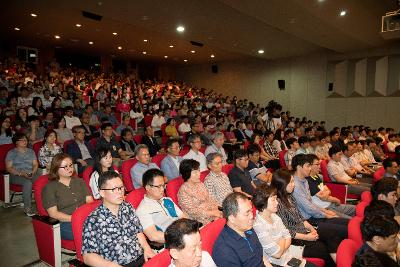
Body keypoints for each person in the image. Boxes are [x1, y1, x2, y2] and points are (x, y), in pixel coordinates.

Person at [82, 171, 155, 266]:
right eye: (114, 189)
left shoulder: (128, 207)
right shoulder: (93, 220)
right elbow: (88, 256)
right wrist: (109, 265)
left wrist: (147, 248)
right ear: (102, 193)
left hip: (140, 258)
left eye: (121, 188)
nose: (120, 192)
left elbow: (137, 232)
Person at [272, 170, 338, 267]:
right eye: (291, 182)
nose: (293, 185)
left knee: (331, 238)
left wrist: (311, 229)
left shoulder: (290, 197)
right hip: (293, 241)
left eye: (293, 181)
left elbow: (300, 218)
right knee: (323, 249)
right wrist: (307, 237)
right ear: (282, 184)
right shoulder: (277, 203)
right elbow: (286, 231)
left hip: (304, 232)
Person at [252, 184, 313, 267]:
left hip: (289, 258)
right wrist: (282, 239)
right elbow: (277, 254)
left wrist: (281, 247)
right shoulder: (258, 225)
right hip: (276, 264)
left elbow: (288, 236)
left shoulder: (275, 216)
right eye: (273, 200)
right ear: (262, 201)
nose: (277, 202)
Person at [42, 153, 93, 240]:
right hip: (64, 222)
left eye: (71, 165)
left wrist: (85, 216)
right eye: (65, 166)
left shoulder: (80, 182)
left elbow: (89, 201)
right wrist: (76, 218)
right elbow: (53, 214)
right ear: (56, 169)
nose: (69, 168)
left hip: (84, 217)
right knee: (91, 233)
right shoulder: (49, 188)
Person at [212, 192, 271, 267]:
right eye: (247, 213)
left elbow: (261, 258)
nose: (252, 216)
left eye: (251, 211)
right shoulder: (224, 249)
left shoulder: (248, 228)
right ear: (232, 218)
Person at [136, 169, 185, 244]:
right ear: (147, 187)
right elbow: (153, 236)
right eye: (158, 186)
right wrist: (179, 238)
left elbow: (183, 217)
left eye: (163, 185)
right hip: (170, 243)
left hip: (183, 235)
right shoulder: (143, 210)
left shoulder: (167, 200)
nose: (162, 189)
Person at [306, 154, 355, 218]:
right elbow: (322, 197)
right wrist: (336, 200)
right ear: (309, 166)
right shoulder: (308, 180)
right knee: (350, 220)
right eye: (317, 164)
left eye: (319, 164)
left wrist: (326, 193)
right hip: (325, 208)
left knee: (355, 208)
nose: (319, 166)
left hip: (331, 203)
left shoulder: (316, 176)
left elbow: (328, 190)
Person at [177, 159, 222, 225]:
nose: (199, 174)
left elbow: (209, 199)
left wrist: (217, 210)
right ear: (187, 173)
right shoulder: (183, 191)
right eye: (195, 172)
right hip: (200, 221)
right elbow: (192, 212)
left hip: (213, 215)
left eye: (199, 171)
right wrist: (212, 213)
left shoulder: (200, 184)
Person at [5, 133, 40, 216]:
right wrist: (21, 173)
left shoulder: (31, 151)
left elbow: (35, 164)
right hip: (16, 175)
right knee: (27, 183)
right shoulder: (11, 153)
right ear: (16, 142)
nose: (25, 141)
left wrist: (33, 172)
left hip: (29, 173)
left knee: (41, 180)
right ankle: (27, 208)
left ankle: (45, 205)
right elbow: (9, 168)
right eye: (22, 140)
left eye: (26, 140)